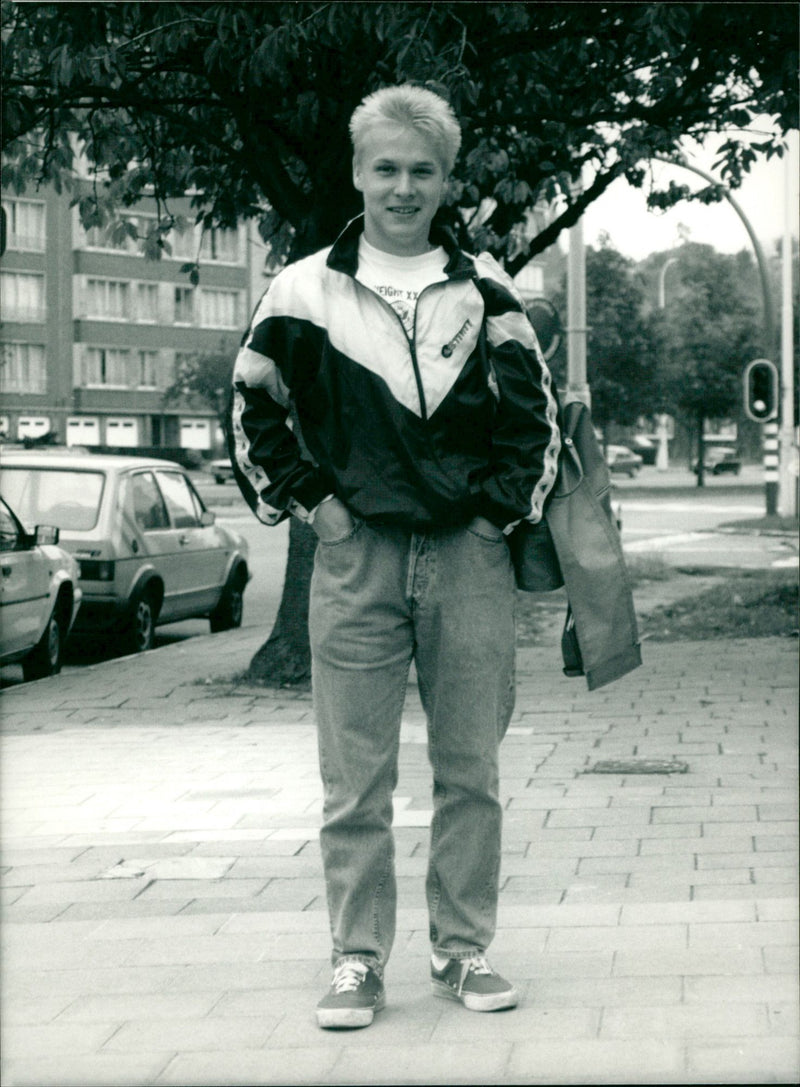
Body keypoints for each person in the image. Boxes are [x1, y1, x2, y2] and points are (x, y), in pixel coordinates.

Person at [231, 83, 561, 1030]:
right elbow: (252, 406)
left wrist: (499, 519)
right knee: (355, 780)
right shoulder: (302, 288)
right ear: (357, 172)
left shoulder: (487, 287)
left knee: (472, 772)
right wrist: (320, 512)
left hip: (467, 557)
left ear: (446, 179)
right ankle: (356, 960)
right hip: (356, 557)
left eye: (422, 171)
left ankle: (462, 951)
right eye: (387, 168)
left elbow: (531, 415)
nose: (403, 187)